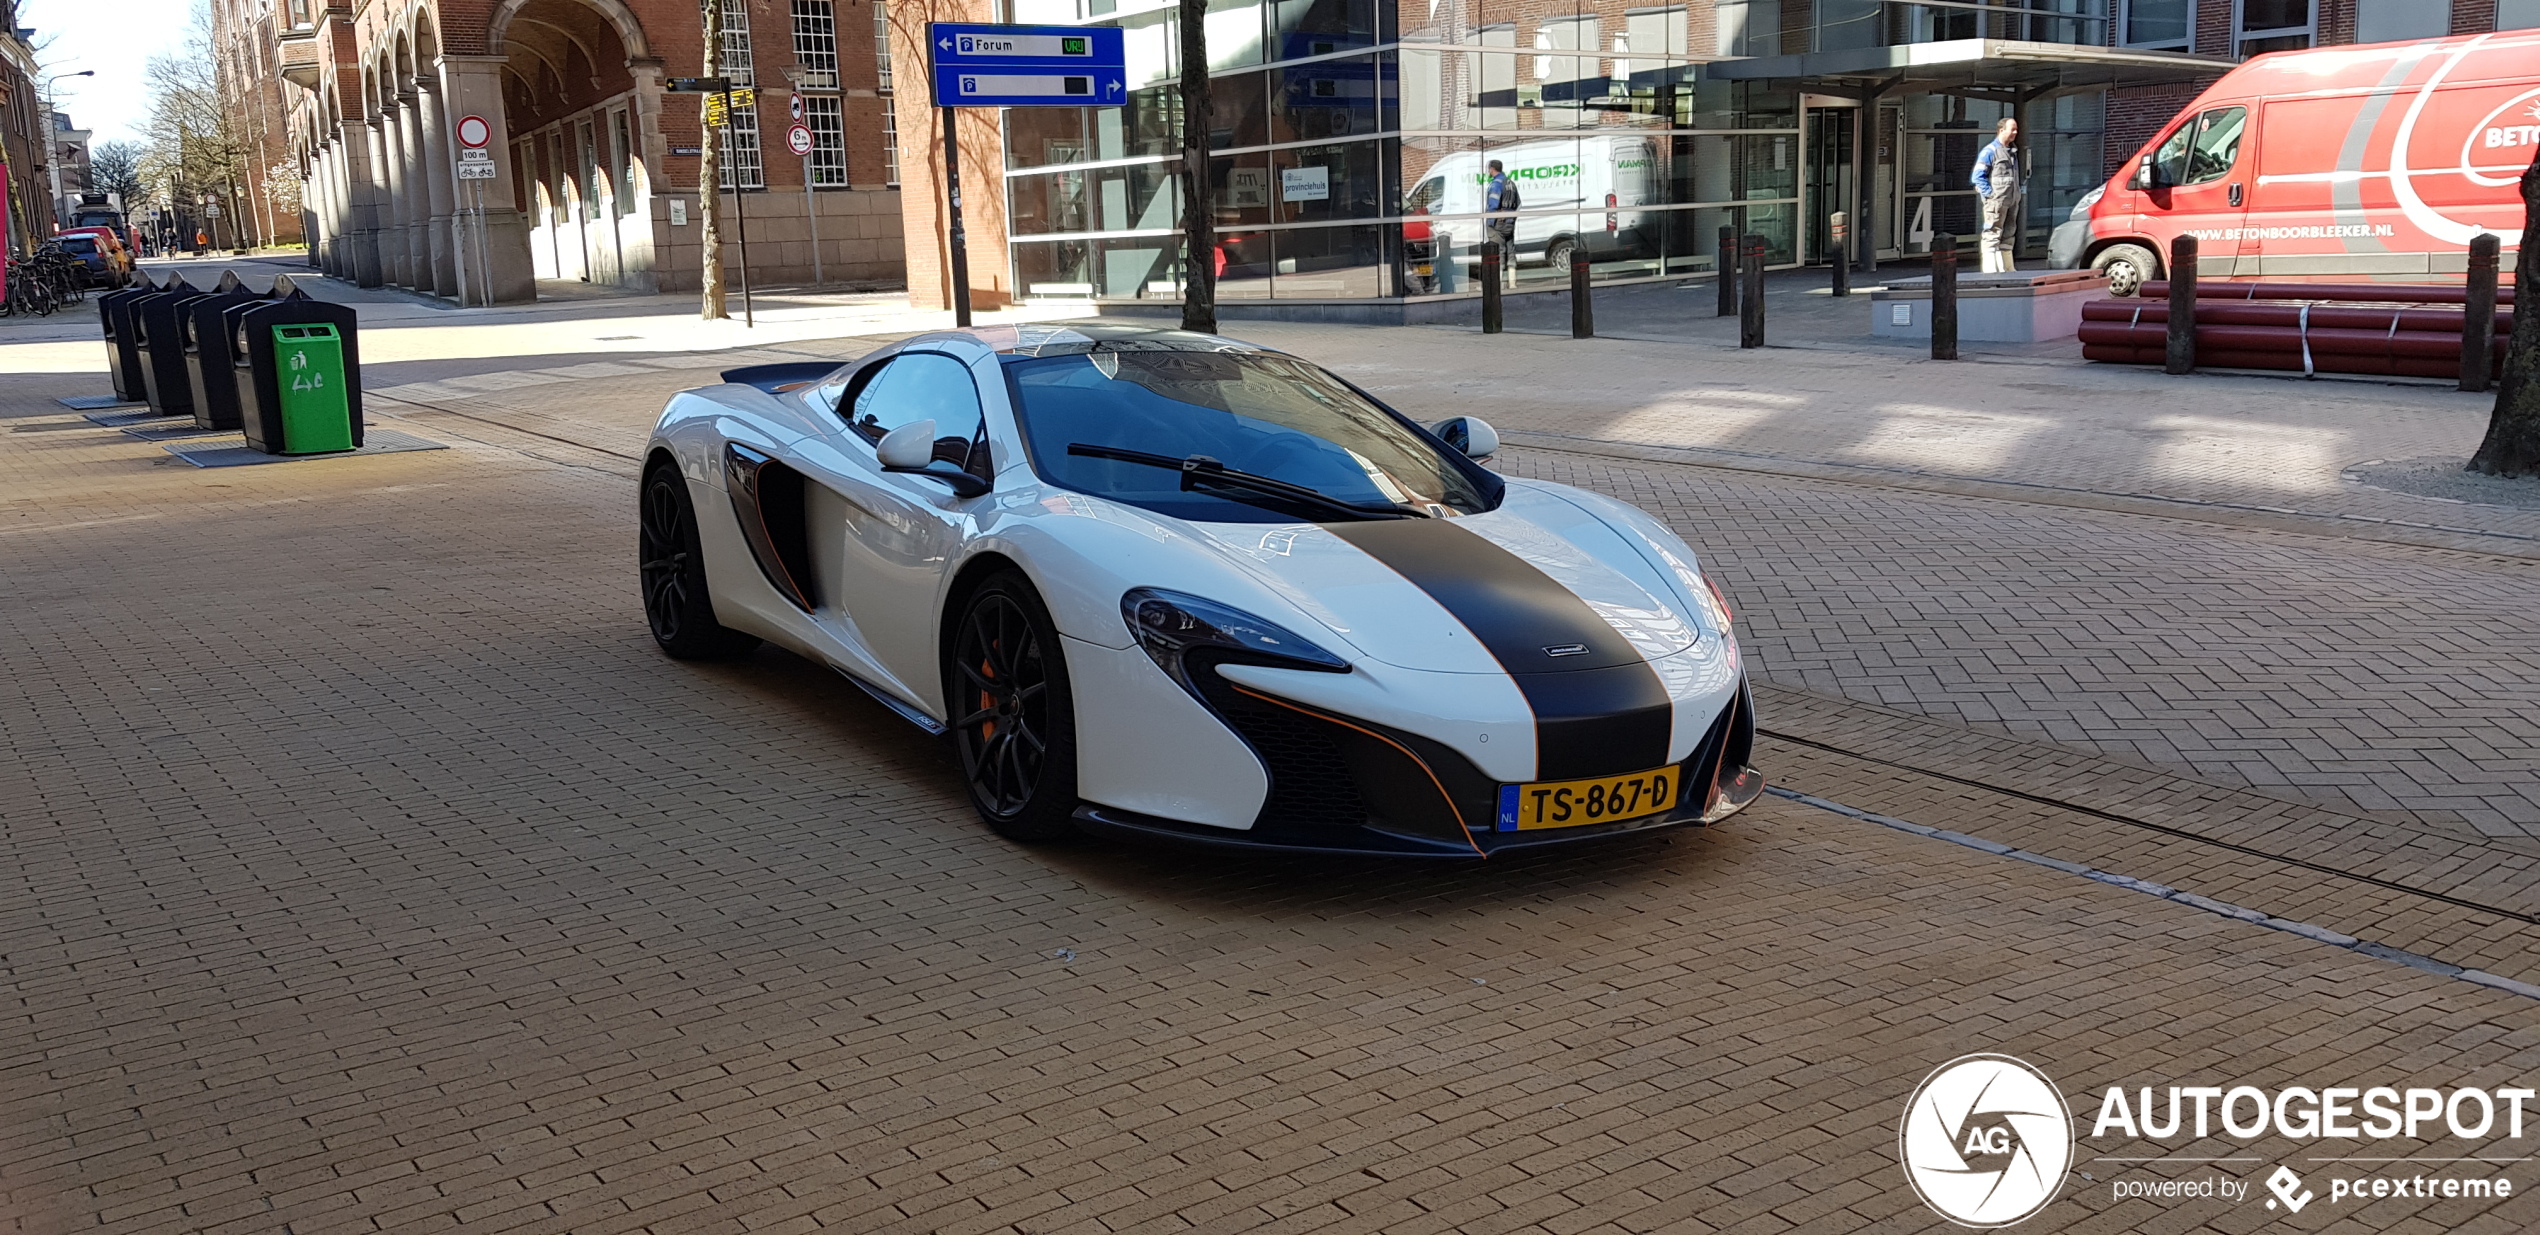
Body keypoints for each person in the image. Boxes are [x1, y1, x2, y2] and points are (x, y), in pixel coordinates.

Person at [1970, 118, 2023, 274]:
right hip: (1996, 203)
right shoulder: (1990, 151)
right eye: (2012, 129)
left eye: (2016, 129)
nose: (2015, 133)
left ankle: (2008, 268)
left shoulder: (2012, 151)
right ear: (2001, 130)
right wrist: (1990, 195)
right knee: (1992, 234)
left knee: (2008, 235)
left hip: (2011, 201)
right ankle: (1990, 270)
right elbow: (1977, 177)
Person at [1483, 159, 1518, 287]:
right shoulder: (1511, 183)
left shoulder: (1495, 184)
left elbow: (1493, 204)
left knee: (1498, 252)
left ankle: (1497, 285)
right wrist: (1512, 218)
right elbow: (1518, 203)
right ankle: (1512, 283)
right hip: (1509, 222)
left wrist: (1491, 222)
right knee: (1510, 251)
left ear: (1492, 169)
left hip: (1498, 223)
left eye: (1489, 169)